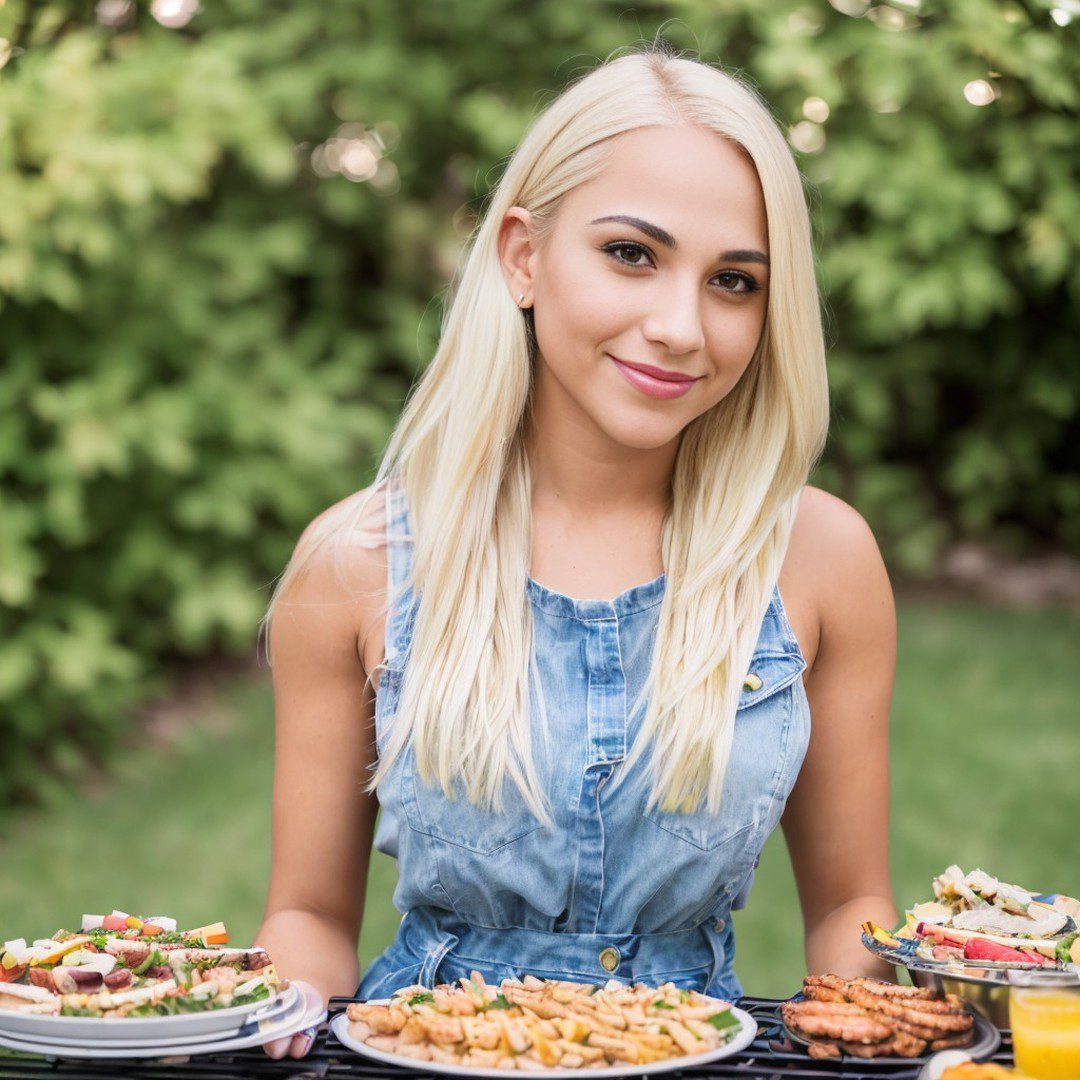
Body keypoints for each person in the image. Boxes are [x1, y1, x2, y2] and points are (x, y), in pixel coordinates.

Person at [258, 42, 899, 1060]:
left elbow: (853, 907)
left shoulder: (818, 559)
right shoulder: (358, 561)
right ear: (521, 256)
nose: (681, 327)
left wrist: (888, 1030)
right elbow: (307, 918)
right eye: (632, 255)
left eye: (733, 281)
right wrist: (275, 1011)